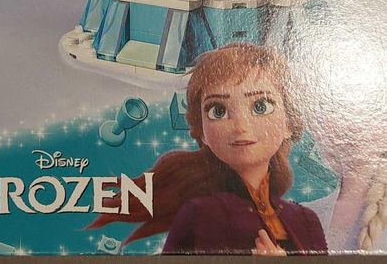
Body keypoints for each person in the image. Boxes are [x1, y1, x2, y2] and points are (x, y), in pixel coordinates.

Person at [91, 44, 328, 255]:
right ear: (202, 131)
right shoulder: (202, 214)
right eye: (218, 111)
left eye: (260, 106)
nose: (240, 126)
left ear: (289, 122)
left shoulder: (306, 220)